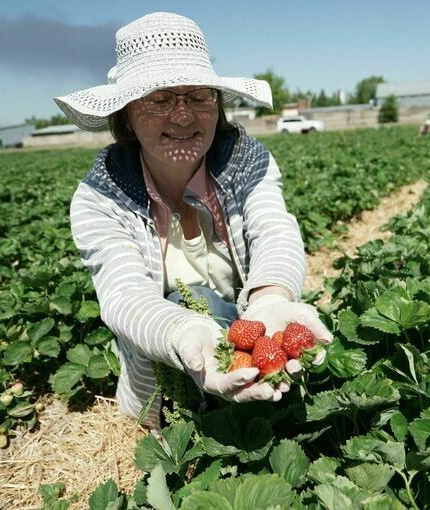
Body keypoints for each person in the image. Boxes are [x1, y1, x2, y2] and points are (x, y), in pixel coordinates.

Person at [54, 12, 332, 430]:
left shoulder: (246, 160)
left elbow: (274, 228)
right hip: (168, 377)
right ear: (126, 113)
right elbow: (124, 296)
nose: (183, 116)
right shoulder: (98, 199)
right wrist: (186, 335)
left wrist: (271, 298)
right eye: (160, 99)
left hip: (252, 339)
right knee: (185, 299)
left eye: (199, 97)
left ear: (217, 106)